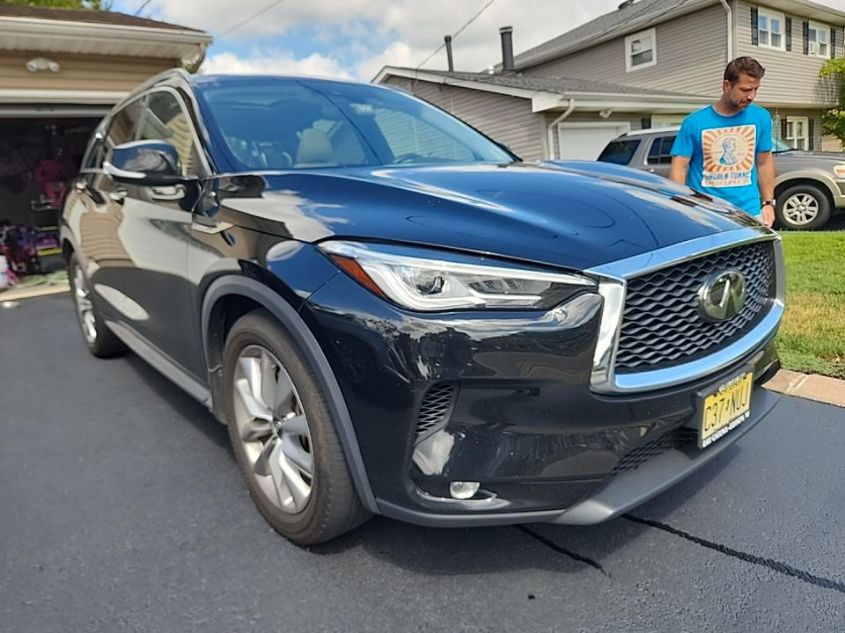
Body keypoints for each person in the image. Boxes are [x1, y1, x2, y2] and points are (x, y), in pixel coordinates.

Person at [670, 56, 775, 227]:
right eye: (746, 89)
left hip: (749, 213)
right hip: (705, 213)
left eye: (756, 89)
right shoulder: (694, 122)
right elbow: (679, 166)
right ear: (727, 86)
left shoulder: (761, 117)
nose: (751, 96)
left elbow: (764, 162)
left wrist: (768, 203)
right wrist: (680, 208)